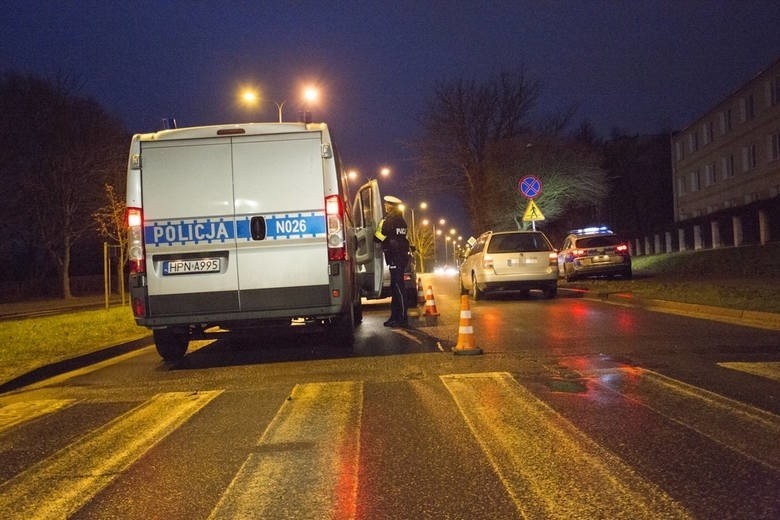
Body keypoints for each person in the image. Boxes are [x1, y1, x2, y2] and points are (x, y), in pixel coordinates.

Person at [374, 195, 410, 327]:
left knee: (398, 288)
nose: (385, 206)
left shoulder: (389, 221)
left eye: (386, 204)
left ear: (391, 206)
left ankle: (401, 318)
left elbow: (378, 237)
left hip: (394, 256)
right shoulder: (402, 221)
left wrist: (376, 231)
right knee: (396, 288)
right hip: (401, 256)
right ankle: (395, 317)